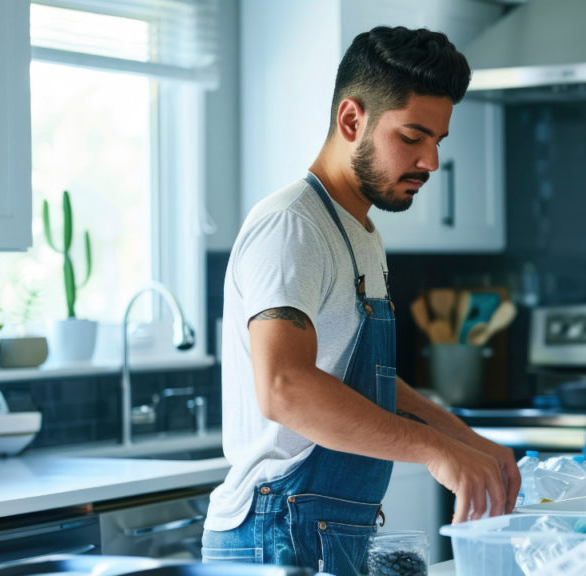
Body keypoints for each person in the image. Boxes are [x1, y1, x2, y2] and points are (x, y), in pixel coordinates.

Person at [201, 26, 521, 574]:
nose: (431, 162)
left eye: (437, 142)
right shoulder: (292, 227)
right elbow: (285, 388)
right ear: (352, 120)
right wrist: (435, 451)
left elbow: (359, 379)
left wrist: (463, 438)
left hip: (319, 530)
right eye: (413, 136)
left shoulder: (359, 231)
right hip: (275, 532)